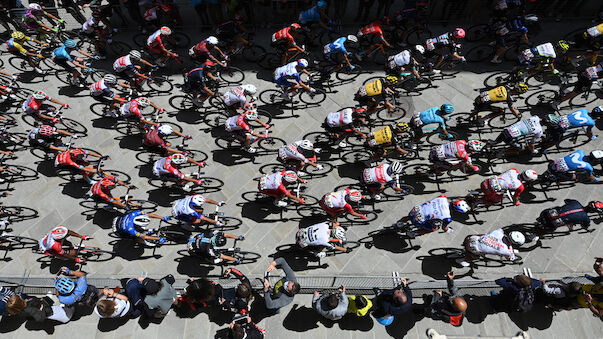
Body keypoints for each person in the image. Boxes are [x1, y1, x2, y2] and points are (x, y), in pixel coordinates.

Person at [397, 195, 469, 237]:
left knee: (409, 217)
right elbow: (444, 228)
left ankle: (399, 223)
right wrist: (448, 230)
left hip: (415, 209)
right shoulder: (447, 217)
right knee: (434, 228)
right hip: (418, 219)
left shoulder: (443, 197)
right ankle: (414, 233)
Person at [456, 228, 524, 267]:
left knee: (485, 235)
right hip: (472, 247)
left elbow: (502, 236)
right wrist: (512, 257)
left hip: (471, 238)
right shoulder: (506, 251)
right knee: (476, 257)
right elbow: (510, 258)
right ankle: (462, 260)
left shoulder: (498, 231)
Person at [5, 293, 74, 323]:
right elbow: (40, 318)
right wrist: (41, 309)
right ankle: (70, 313)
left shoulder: (20, 311)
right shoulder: (29, 309)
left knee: (58, 310)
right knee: (60, 311)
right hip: (52, 312)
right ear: (20, 302)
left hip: (48, 311)